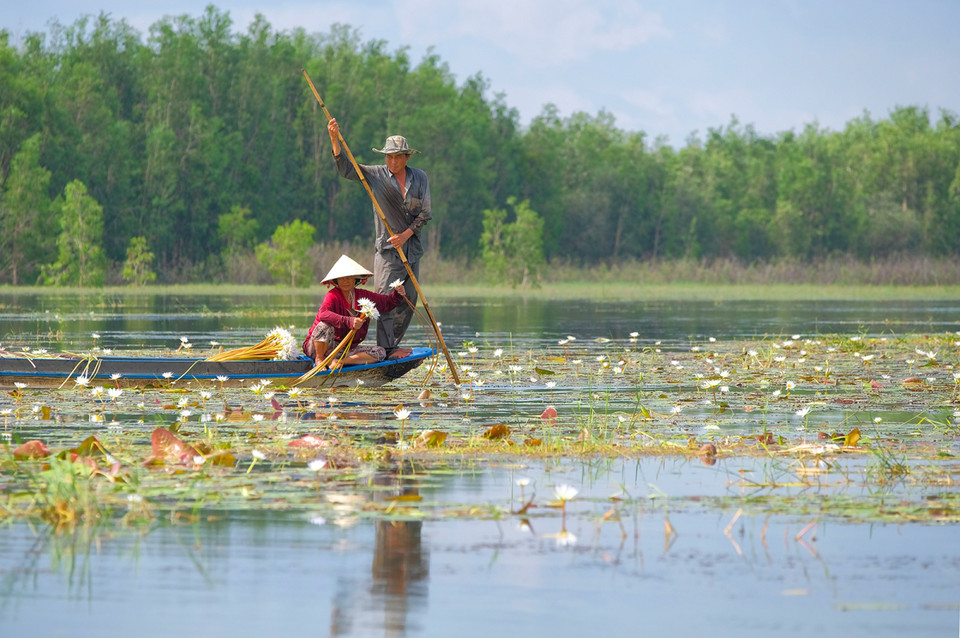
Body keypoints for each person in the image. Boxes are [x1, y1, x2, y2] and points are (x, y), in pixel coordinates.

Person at [327, 118, 431, 357]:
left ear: (407, 158)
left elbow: (425, 214)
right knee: (385, 301)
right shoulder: (376, 175)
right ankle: (386, 349)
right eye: (389, 156)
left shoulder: (420, 178)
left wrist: (405, 236)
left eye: (397, 157)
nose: (392, 161)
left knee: (409, 298)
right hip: (387, 254)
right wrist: (334, 139)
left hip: (412, 250)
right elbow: (346, 169)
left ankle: (392, 344)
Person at [303, 255, 411, 369]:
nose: (345, 281)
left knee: (380, 352)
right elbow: (323, 314)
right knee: (323, 325)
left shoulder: (363, 295)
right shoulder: (332, 295)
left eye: (349, 278)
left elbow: (387, 303)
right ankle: (320, 360)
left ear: (355, 280)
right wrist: (348, 321)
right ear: (336, 281)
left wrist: (398, 293)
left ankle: (339, 361)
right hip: (318, 347)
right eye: (342, 278)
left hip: (343, 350)